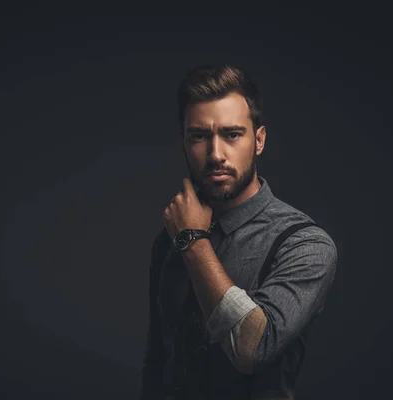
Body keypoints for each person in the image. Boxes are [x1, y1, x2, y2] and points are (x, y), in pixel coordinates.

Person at [139, 64, 338, 400]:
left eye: (232, 135)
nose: (216, 155)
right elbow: (159, 361)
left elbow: (252, 348)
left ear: (258, 140)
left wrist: (193, 242)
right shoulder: (170, 238)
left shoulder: (306, 245)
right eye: (199, 136)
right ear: (184, 142)